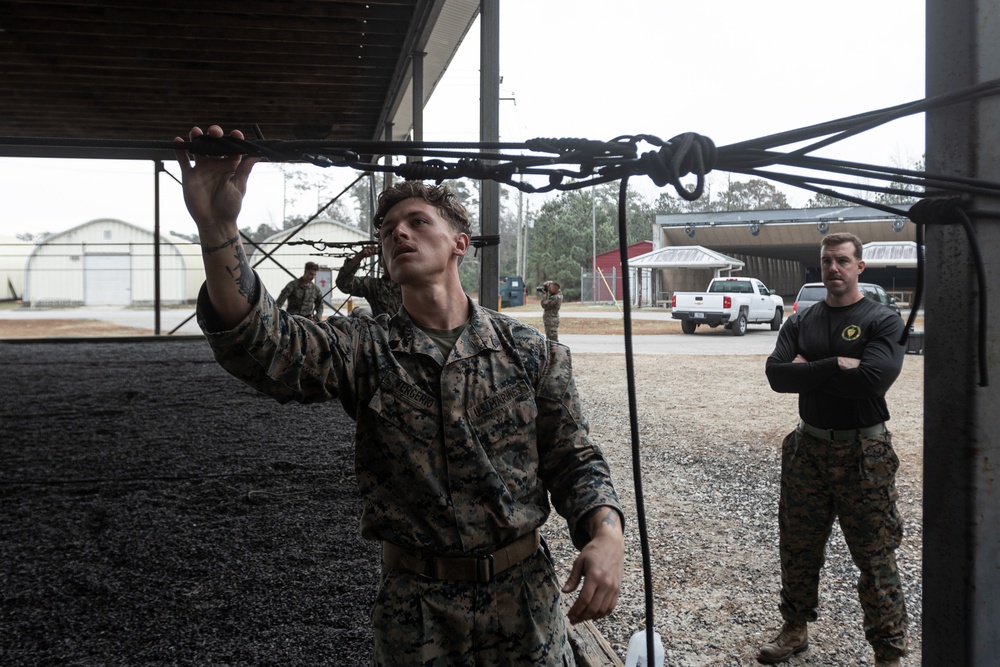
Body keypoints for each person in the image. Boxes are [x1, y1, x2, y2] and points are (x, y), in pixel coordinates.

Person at [174, 125, 626, 666]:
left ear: (460, 243)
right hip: (417, 612)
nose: (399, 234)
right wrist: (218, 226)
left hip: (525, 601)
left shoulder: (531, 352)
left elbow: (574, 460)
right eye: (388, 228)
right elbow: (264, 343)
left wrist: (606, 533)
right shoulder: (365, 348)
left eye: (418, 222)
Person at [760, 232, 907, 667]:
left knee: (875, 555)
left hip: (865, 453)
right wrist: (837, 364)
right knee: (798, 546)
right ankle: (795, 629)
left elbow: (874, 380)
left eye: (842, 261)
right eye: (826, 262)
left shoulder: (884, 320)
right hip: (808, 448)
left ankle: (889, 652)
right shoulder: (802, 321)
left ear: (859, 267)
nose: (833, 269)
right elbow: (776, 375)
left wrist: (807, 369)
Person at [335, 244, 403, 317]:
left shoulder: (411, 283)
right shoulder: (372, 285)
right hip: (383, 327)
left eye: (394, 256)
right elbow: (343, 283)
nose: (391, 260)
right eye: (386, 256)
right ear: (380, 262)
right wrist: (359, 257)